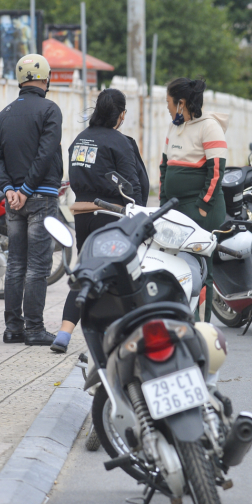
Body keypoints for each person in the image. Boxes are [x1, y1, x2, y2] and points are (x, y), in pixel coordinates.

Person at [51, 89, 144, 353]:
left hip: (81, 215)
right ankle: (119, 338)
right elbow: (133, 187)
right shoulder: (119, 142)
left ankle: (64, 335)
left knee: (86, 272)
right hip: (110, 215)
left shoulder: (81, 139)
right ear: (121, 114)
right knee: (119, 276)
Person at [0, 54, 63, 346]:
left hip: (13, 202)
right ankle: (34, 329)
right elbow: (46, 154)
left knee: (16, 264)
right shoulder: (50, 110)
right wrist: (27, 189)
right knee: (38, 266)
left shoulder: (4, 114)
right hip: (40, 197)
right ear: (45, 79)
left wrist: (9, 189)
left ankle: (13, 329)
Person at [159, 77, 228, 321]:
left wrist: (202, 207)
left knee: (200, 270)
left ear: (181, 103)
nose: (166, 107)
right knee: (177, 267)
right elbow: (164, 166)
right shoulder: (174, 126)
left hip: (202, 210)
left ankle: (201, 328)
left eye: (169, 102)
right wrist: (163, 204)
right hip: (176, 209)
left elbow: (217, 170)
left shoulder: (209, 126)